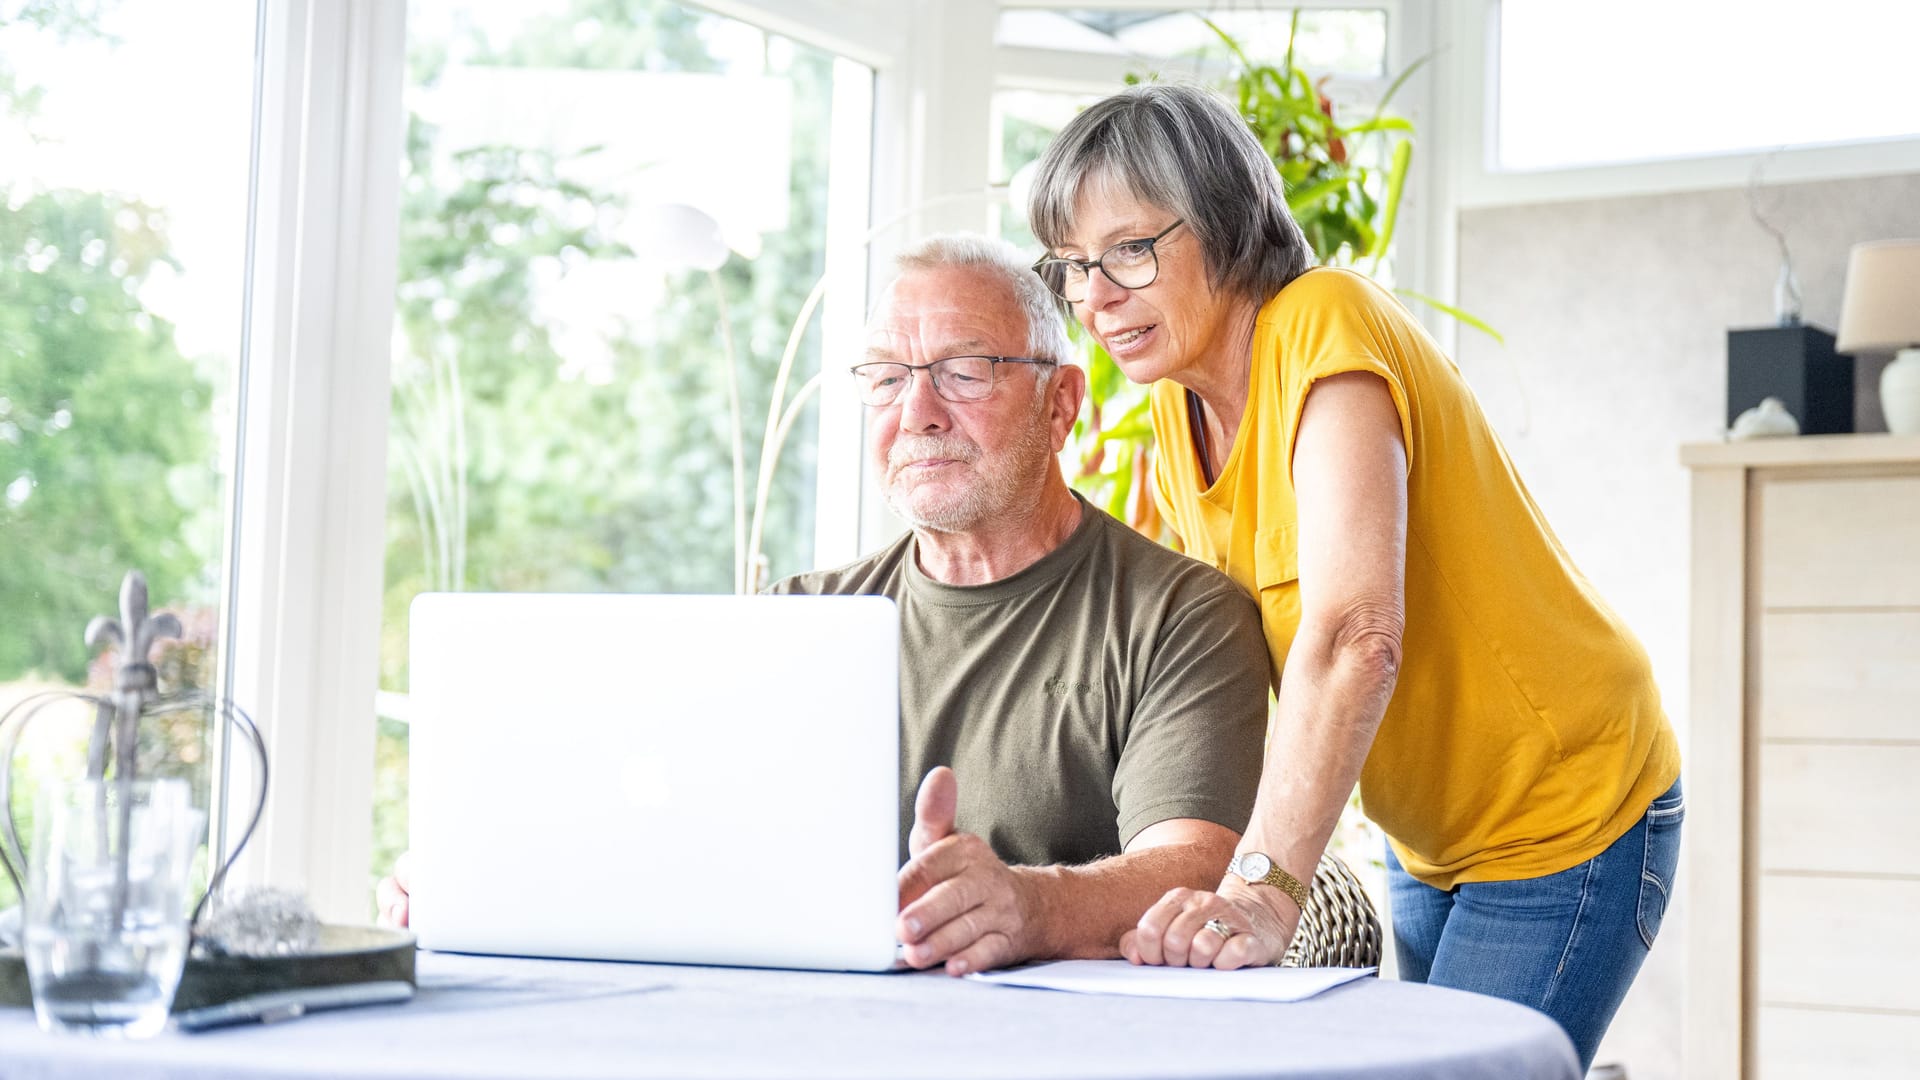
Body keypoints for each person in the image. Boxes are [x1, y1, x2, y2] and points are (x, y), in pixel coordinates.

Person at [379, 233, 1273, 979]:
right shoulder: (794, 622)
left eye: (964, 371)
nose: (916, 411)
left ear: (1060, 402)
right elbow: (666, 836)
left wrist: (1028, 903)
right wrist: (490, 876)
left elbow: (1197, 866)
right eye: (886, 378)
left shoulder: (1179, 615)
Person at [1025, 83, 1682, 1070]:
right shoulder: (1176, 410)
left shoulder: (1321, 325)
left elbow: (1352, 634)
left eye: (1128, 250)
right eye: (1071, 265)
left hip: (1565, 808)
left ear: (1223, 221)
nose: (1092, 297)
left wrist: (1261, 892)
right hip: (1429, 837)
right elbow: (1178, 651)